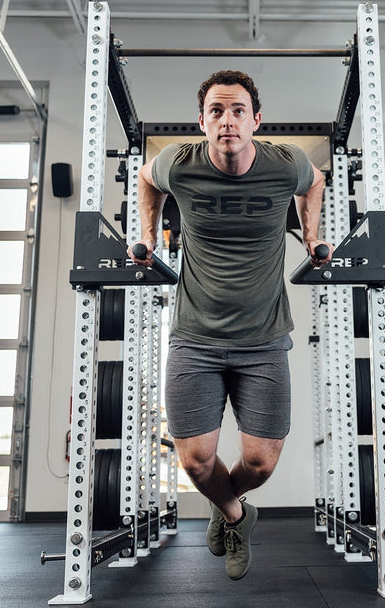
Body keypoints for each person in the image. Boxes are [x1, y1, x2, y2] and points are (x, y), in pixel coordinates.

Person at [129, 69, 331, 580]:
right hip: (195, 339)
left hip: (263, 341)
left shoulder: (286, 164)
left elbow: (317, 181)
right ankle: (236, 515)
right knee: (195, 461)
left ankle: (229, 504)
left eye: (238, 111)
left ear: (255, 121)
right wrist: (148, 237)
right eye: (216, 111)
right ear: (202, 122)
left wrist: (311, 237)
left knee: (260, 464)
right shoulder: (180, 162)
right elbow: (147, 178)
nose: (227, 121)